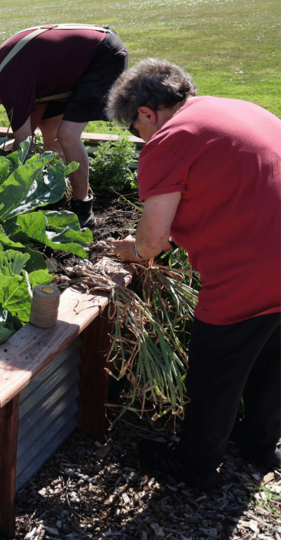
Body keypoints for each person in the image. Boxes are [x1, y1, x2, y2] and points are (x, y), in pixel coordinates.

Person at [106, 58, 281, 489]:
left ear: (147, 112)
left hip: (250, 271)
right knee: (273, 357)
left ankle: (196, 464)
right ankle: (260, 445)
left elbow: (151, 244)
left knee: (214, 369)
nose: (140, 138)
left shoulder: (171, 139)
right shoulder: (241, 108)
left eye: (135, 130)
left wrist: (125, 250)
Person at [0, 24, 128, 227]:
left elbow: (24, 144)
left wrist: (11, 186)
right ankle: (58, 193)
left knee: (67, 134)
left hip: (101, 56)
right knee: (50, 125)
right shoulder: (2, 65)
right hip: (97, 47)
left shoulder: (9, 81)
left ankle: (83, 210)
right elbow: (34, 118)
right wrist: (15, 147)